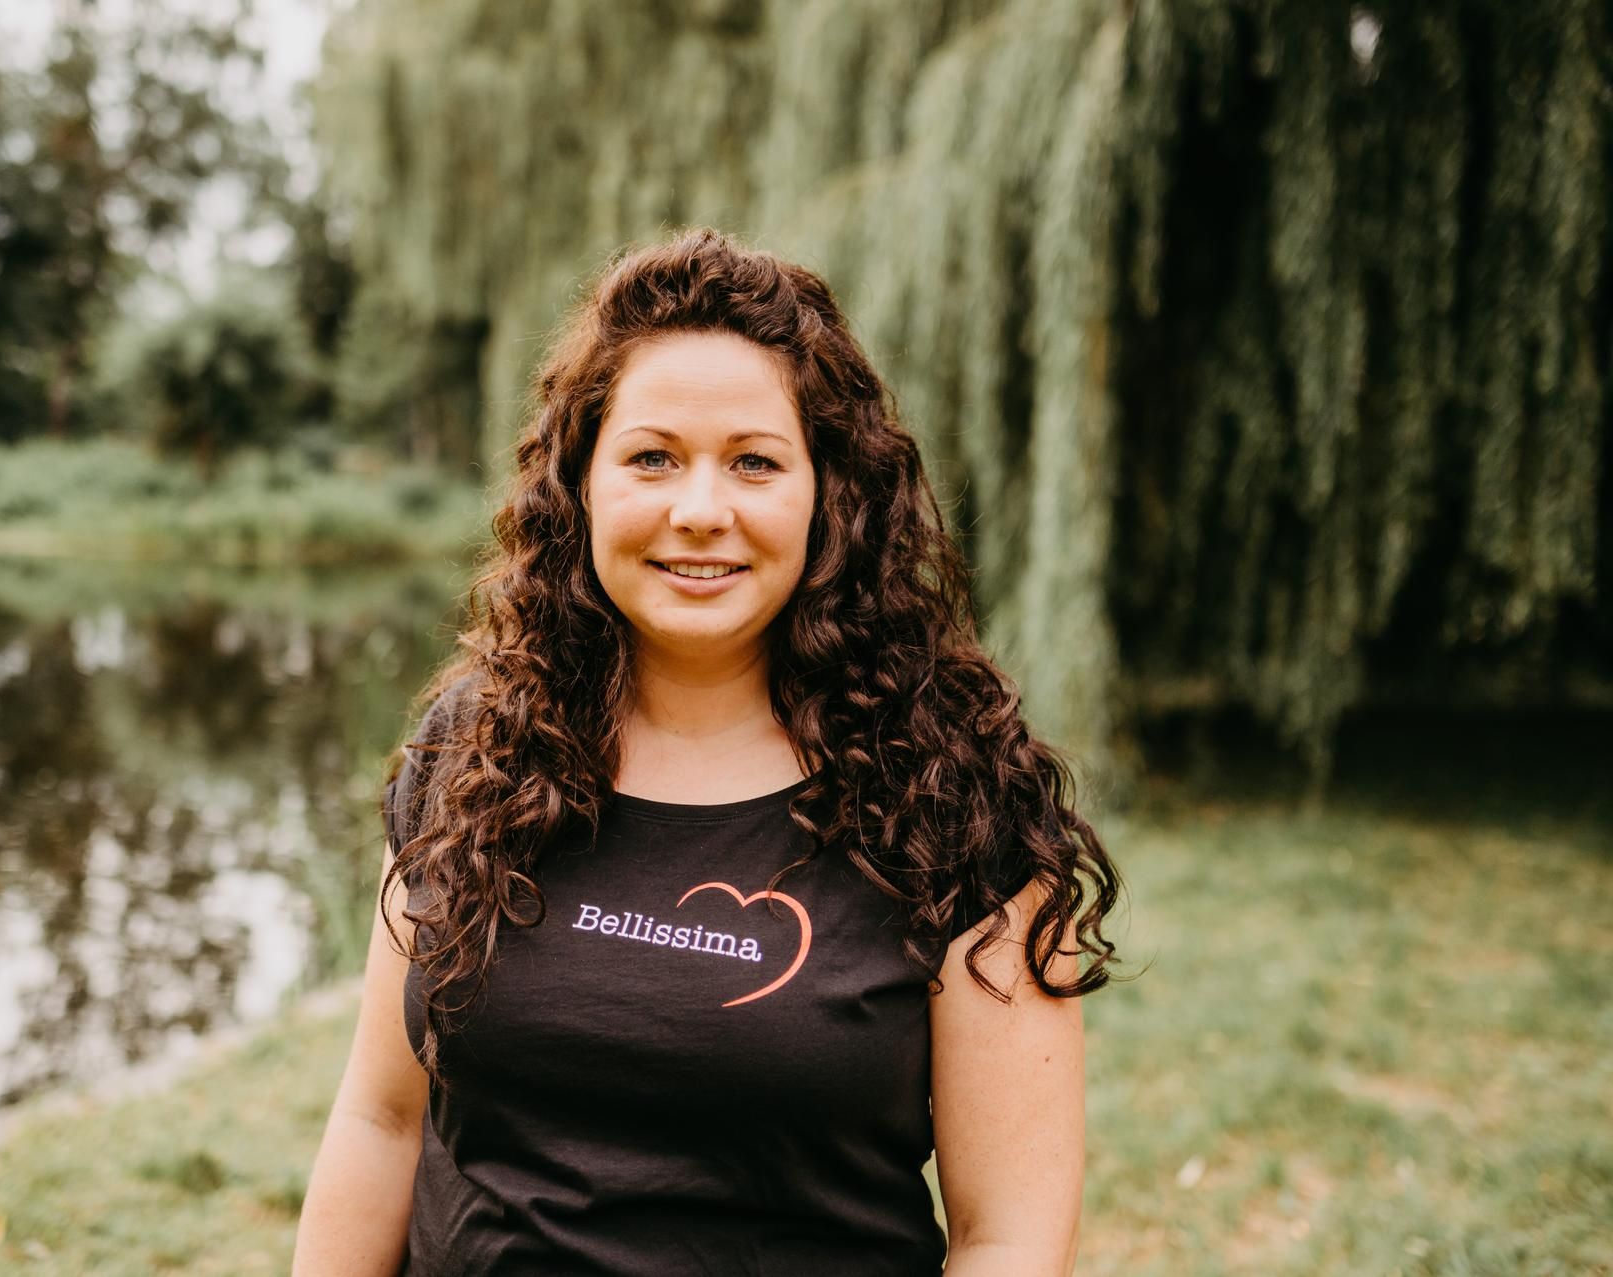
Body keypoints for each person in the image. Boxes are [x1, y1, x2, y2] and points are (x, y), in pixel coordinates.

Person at [291, 228, 1122, 1276]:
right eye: (651, 457)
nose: (699, 511)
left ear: (830, 495)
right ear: (580, 481)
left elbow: (1011, 1236)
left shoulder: (956, 795)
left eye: (755, 461)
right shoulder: (468, 749)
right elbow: (380, 1119)